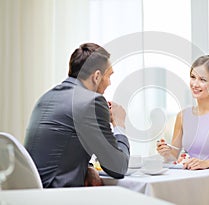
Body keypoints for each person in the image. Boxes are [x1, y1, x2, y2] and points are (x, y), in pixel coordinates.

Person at [24, 43, 130, 188]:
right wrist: (119, 125)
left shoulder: (46, 97)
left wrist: (88, 167)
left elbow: (63, 147)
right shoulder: (91, 102)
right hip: (59, 197)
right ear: (97, 76)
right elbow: (118, 168)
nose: (110, 83)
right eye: (109, 76)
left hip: (33, 195)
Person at [157, 55, 209, 170]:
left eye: (202, 80)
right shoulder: (183, 116)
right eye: (193, 77)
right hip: (192, 177)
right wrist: (166, 153)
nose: (195, 84)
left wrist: (206, 163)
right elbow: (173, 157)